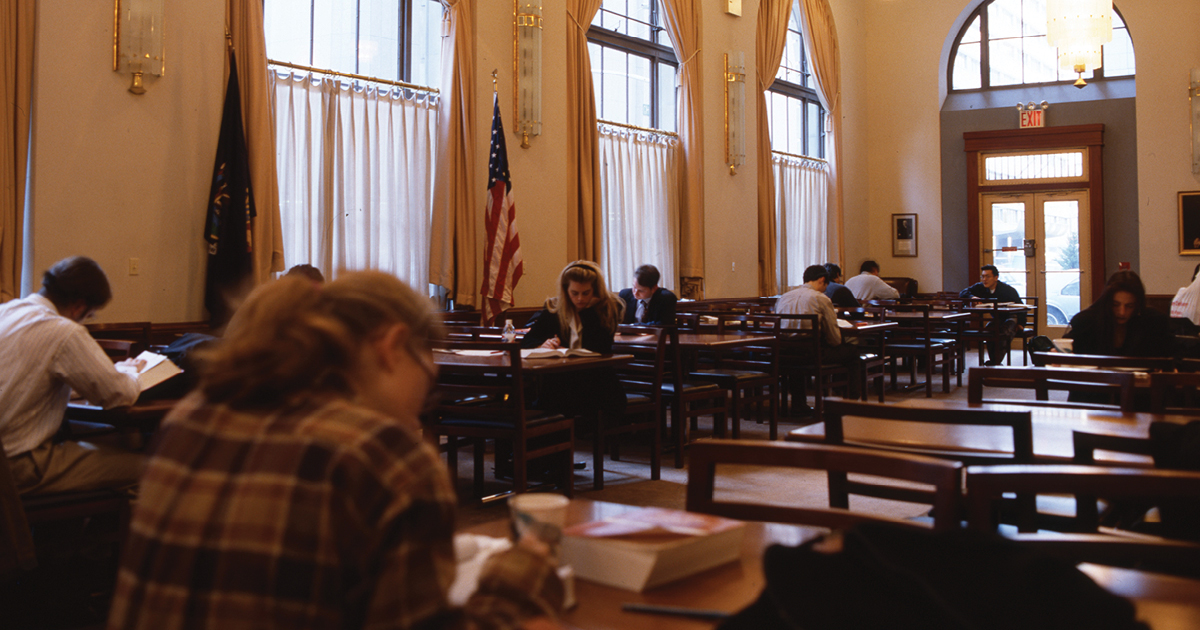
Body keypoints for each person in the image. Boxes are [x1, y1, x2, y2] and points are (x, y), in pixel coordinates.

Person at [108, 271, 563, 629]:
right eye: (425, 392)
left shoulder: (192, 418)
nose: (414, 418)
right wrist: (515, 578)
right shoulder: (382, 454)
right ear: (389, 347)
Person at [0, 256, 144, 495]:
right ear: (79, 306)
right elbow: (118, 394)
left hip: (7, 458)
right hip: (17, 465)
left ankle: (65, 531)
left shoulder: (6, 312)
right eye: (90, 315)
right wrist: (131, 371)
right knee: (143, 467)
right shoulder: (63, 331)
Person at [522, 261, 626, 421]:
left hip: (596, 379)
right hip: (562, 378)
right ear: (565, 290)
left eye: (586, 293)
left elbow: (600, 346)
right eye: (574, 293)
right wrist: (543, 344)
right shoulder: (554, 310)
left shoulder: (607, 309)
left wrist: (589, 310)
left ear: (595, 290)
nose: (580, 298)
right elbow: (527, 341)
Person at [775, 265, 862, 414]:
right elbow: (834, 339)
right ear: (822, 280)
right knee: (853, 355)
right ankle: (852, 405)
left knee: (797, 358)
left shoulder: (784, 297)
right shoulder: (820, 298)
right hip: (812, 355)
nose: (825, 289)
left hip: (785, 355)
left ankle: (798, 405)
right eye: (826, 285)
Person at [1066, 270, 1175, 357]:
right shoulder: (1087, 322)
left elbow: (1170, 357)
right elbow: (1064, 349)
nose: (1122, 312)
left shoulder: (1154, 322)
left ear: (1138, 305)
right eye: (1115, 305)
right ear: (1107, 302)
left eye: (1129, 306)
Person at [959, 264, 1024, 366]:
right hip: (997, 318)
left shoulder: (1007, 289)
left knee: (1004, 331)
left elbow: (1021, 306)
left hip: (1011, 317)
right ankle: (994, 361)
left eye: (987, 276)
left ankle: (995, 361)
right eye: (983, 276)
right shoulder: (980, 287)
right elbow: (963, 292)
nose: (984, 279)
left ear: (996, 277)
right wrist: (972, 297)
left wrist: (1021, 323)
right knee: (989, 329)